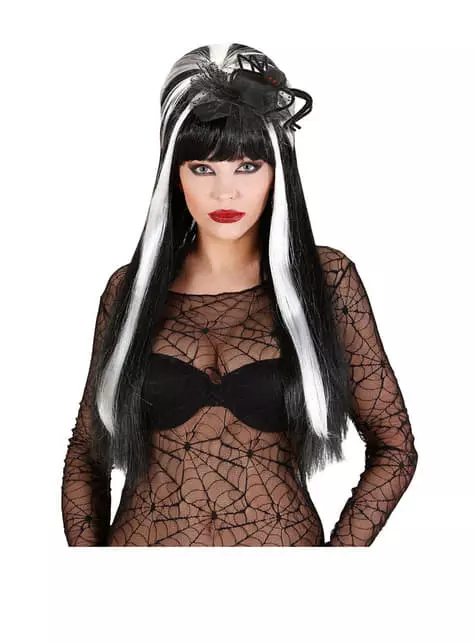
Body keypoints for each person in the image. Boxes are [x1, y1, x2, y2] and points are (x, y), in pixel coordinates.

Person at [61, 42, 418, 546]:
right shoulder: (131, 289)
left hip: (286, 573)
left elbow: (395, 448)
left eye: (247, 166)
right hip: (139, 570)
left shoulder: (325, 279)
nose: (224, 192)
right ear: (175, 177)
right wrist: (88, 574)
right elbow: (86, 453)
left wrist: (337, 565)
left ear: (277, 172)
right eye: (202, 168)